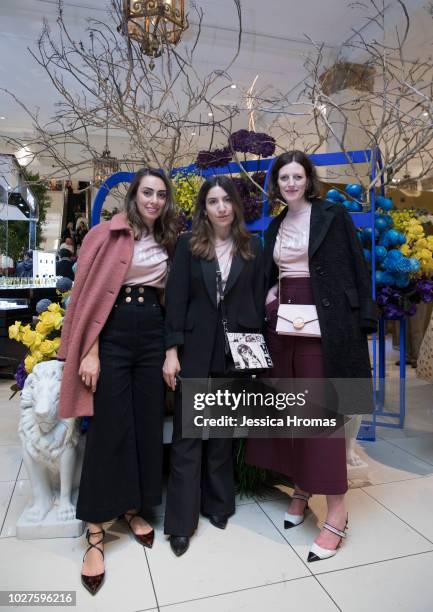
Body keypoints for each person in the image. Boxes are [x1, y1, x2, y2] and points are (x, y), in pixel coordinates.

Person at [246, 150, 377, 563]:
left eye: (296, 176)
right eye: (283, 177)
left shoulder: (332, 216)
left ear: (308, 179)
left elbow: (356, 267)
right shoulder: (277, 223)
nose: (290, 183)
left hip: (326, 323)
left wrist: (364, 320)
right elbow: (274, 274)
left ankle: (337, 512)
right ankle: (302, 486)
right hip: (284, 324)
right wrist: (269, 298)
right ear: (276, 183)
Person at [57, 168, 177, 595]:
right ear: (134, 194)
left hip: (151, 332)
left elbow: (171, 299)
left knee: (144, 424)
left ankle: (133, 506)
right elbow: (85, 294)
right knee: (109, 428)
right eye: (148, 192)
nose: (154, 200)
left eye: (161, 194)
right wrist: (88, 350)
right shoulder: (105, 233)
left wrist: (169, 349)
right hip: (111, 333)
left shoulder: (168, 240)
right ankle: (94, 530)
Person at [163, 175, 264, 557]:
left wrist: (253, 355)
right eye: (212, 201)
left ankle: (218, 505)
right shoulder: (189, 246)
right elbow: (175, 300)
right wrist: (171, 351)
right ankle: (180, 522)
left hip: (232, 352)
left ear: (235, 205)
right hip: (194, 348)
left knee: (221, 434)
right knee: (188, 436)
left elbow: (255, 303)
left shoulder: (252, 246)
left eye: (226, 200)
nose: (220, 207)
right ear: (203, 207)